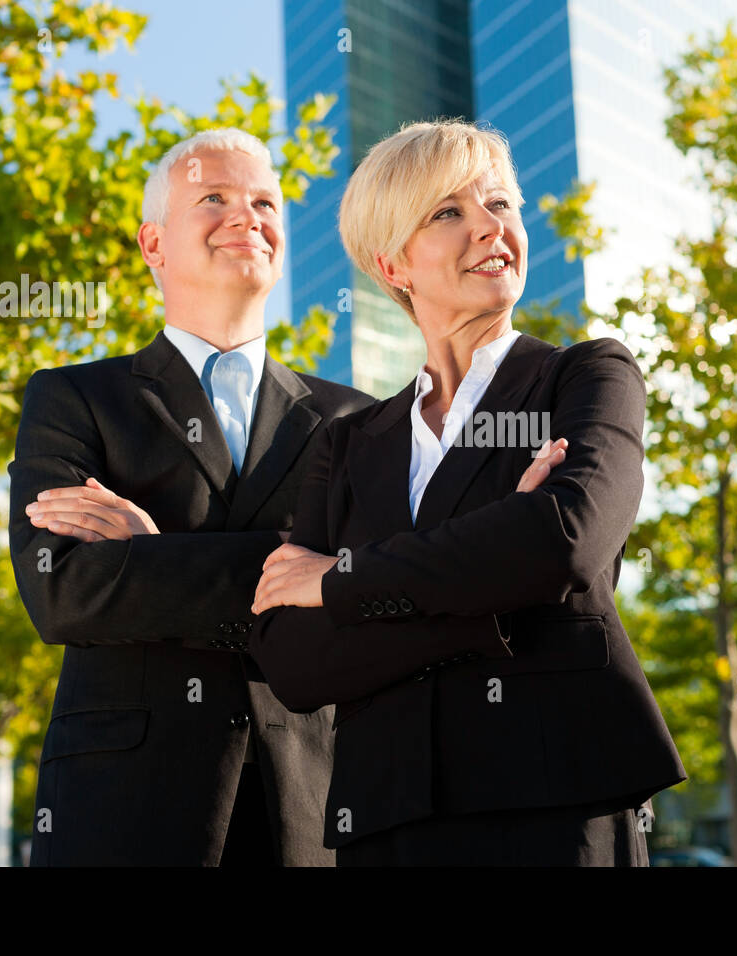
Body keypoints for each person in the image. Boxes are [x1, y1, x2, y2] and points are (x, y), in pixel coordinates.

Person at [248, 119, 686, 866]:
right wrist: (491, 587)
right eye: (449, 213)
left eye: (502, 206)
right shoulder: (347, 443)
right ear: (394, 264)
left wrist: (342, 580)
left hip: (556, 806)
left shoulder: (588, 377)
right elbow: (292, 660)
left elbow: (564, 541)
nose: (491, 228)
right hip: (386, 821)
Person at [8, 128, 375, 865]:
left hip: (312, 806)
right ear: (153, 244)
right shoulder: (74, 397)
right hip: (123, 809)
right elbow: (64, 593)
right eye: (214, 198)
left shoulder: (356, 419)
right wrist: (301, 569)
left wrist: (153, 557)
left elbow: (369, 594)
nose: (248, 216)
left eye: (265, 202)